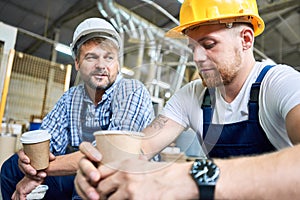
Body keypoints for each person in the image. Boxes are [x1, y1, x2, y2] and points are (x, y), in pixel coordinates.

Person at [74, 0, 300, 199]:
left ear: (246, 39)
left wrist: (186, 178)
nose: (197, 58)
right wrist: (99, 168)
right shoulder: (193, 95)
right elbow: (141, 147)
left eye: (209, 45)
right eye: (192, 47)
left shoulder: (280, 84)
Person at [0, 17, 155, 200]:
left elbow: (112, 156)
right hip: (84, 169)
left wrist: (37, 171)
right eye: (91, 57)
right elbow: (48, 143)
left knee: (90, 183)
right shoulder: (71, 97)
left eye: (109, 57)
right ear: (77, 63)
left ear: (118, 64)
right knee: (11, 168)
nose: (101, 65)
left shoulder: (131, 90)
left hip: (130, 177)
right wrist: (29, 161)